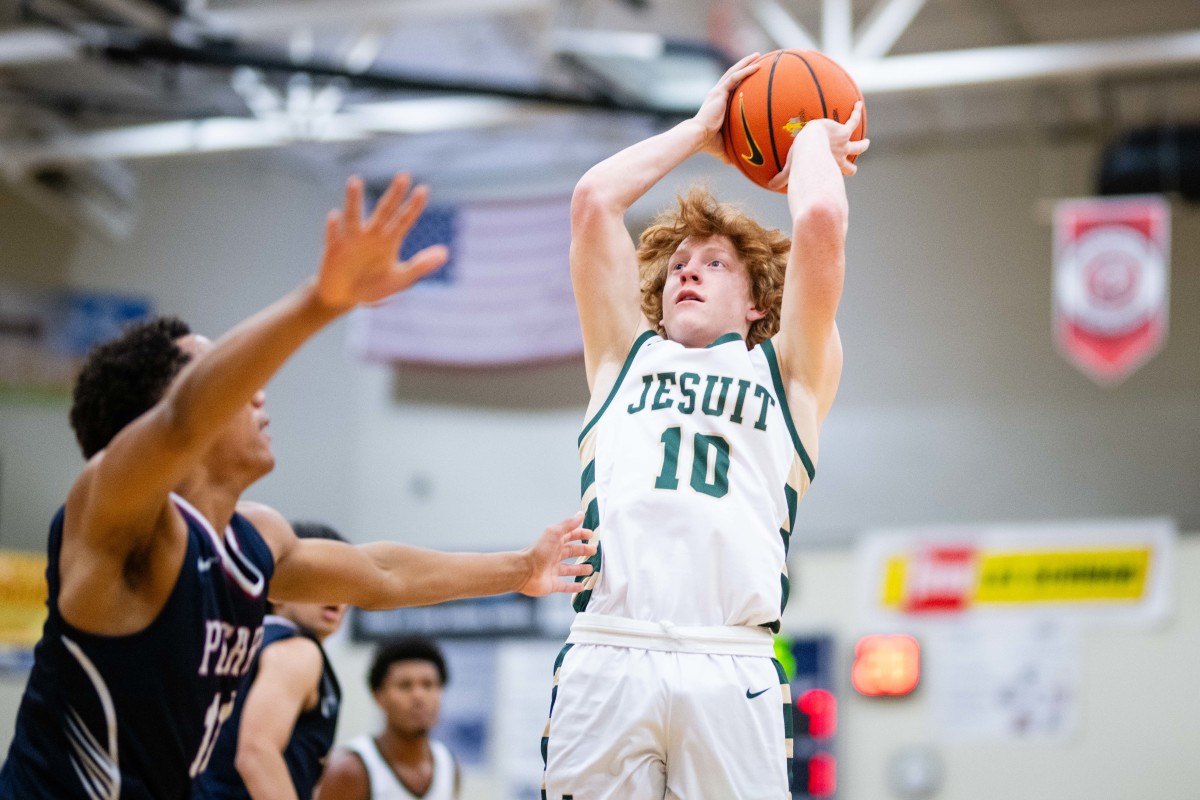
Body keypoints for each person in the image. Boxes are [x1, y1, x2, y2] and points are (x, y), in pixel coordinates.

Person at [0, 173, 594, 800]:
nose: (256, 390)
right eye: (221, 376)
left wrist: (523, 567)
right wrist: (322, 301)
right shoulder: (111, 517)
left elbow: (380, 575)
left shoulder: (254, 539)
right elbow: (179, 423)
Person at [540, 54, 869, 799]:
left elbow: (819, 218)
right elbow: (593, 201)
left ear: (759, 305)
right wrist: (698, 131)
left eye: (715, 263)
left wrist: (809, 138)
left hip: (732, 660)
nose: (687, 271)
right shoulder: (622, 357)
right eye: (680, 263)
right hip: (609, 647)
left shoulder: (791, 375)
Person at [192, 521, 350, 800]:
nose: (335, 593)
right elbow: (256, 755)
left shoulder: (237, 640)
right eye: (321, 577)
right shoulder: (297, 651)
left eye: (343, 579)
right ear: (278, 584)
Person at [318, 637, 459, 800]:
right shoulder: (350, 769)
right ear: (378, 696)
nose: (418, 696)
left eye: (428, 685)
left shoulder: (448, 764)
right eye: (405, 685)